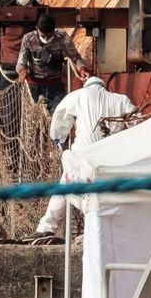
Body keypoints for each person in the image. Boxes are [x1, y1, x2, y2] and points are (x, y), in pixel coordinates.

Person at [32, 77, 136, 238]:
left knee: (65, 186)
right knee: (106, 195)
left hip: (82, 155)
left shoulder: (77, 95)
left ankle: (47, 228)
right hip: (110, 157)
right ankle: (106, 229)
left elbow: (60, 116)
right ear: (103, 87)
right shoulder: (120, 100)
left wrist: (58, 139)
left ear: (86, 85)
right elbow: (137, 123)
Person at [16, 14, 89, 112]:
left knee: (58, 117)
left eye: (49, 35)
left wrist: (82, 69)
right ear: (37, 28)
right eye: (43, 35)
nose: (46, 38)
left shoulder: (62, 36)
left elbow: (76, 57)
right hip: (35, 87)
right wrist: (22, 71)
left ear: (54, 30)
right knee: (35, 120)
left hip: (56, 86)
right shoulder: (28, 38)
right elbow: (21, 62)